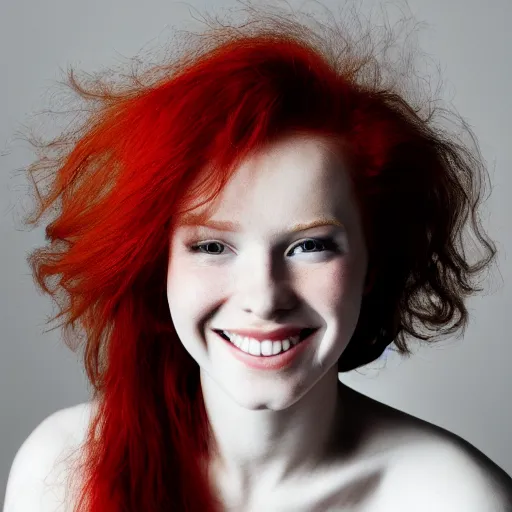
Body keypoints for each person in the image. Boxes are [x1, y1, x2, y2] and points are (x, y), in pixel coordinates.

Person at [4, 1, 512, 511]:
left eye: (309, 246)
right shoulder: (60, 471)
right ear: (156, 267)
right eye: (212, 246)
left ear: (372, 265)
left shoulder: (458, 499)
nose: (264, 298)